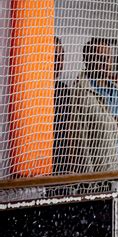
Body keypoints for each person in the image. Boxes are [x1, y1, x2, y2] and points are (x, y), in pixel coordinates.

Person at [69, 38, 118, 172]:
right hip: (103, 165)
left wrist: (116, 126)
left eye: (108, 58)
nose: (106, 63)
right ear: (87, 60)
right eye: (100, 58)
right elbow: (98, 128)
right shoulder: (81, 92)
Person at [52, 36, 73, 174]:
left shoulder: (64, 90)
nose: (59, 62)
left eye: (61, 56)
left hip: (62, 162)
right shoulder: (34, 89)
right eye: (55, 55)